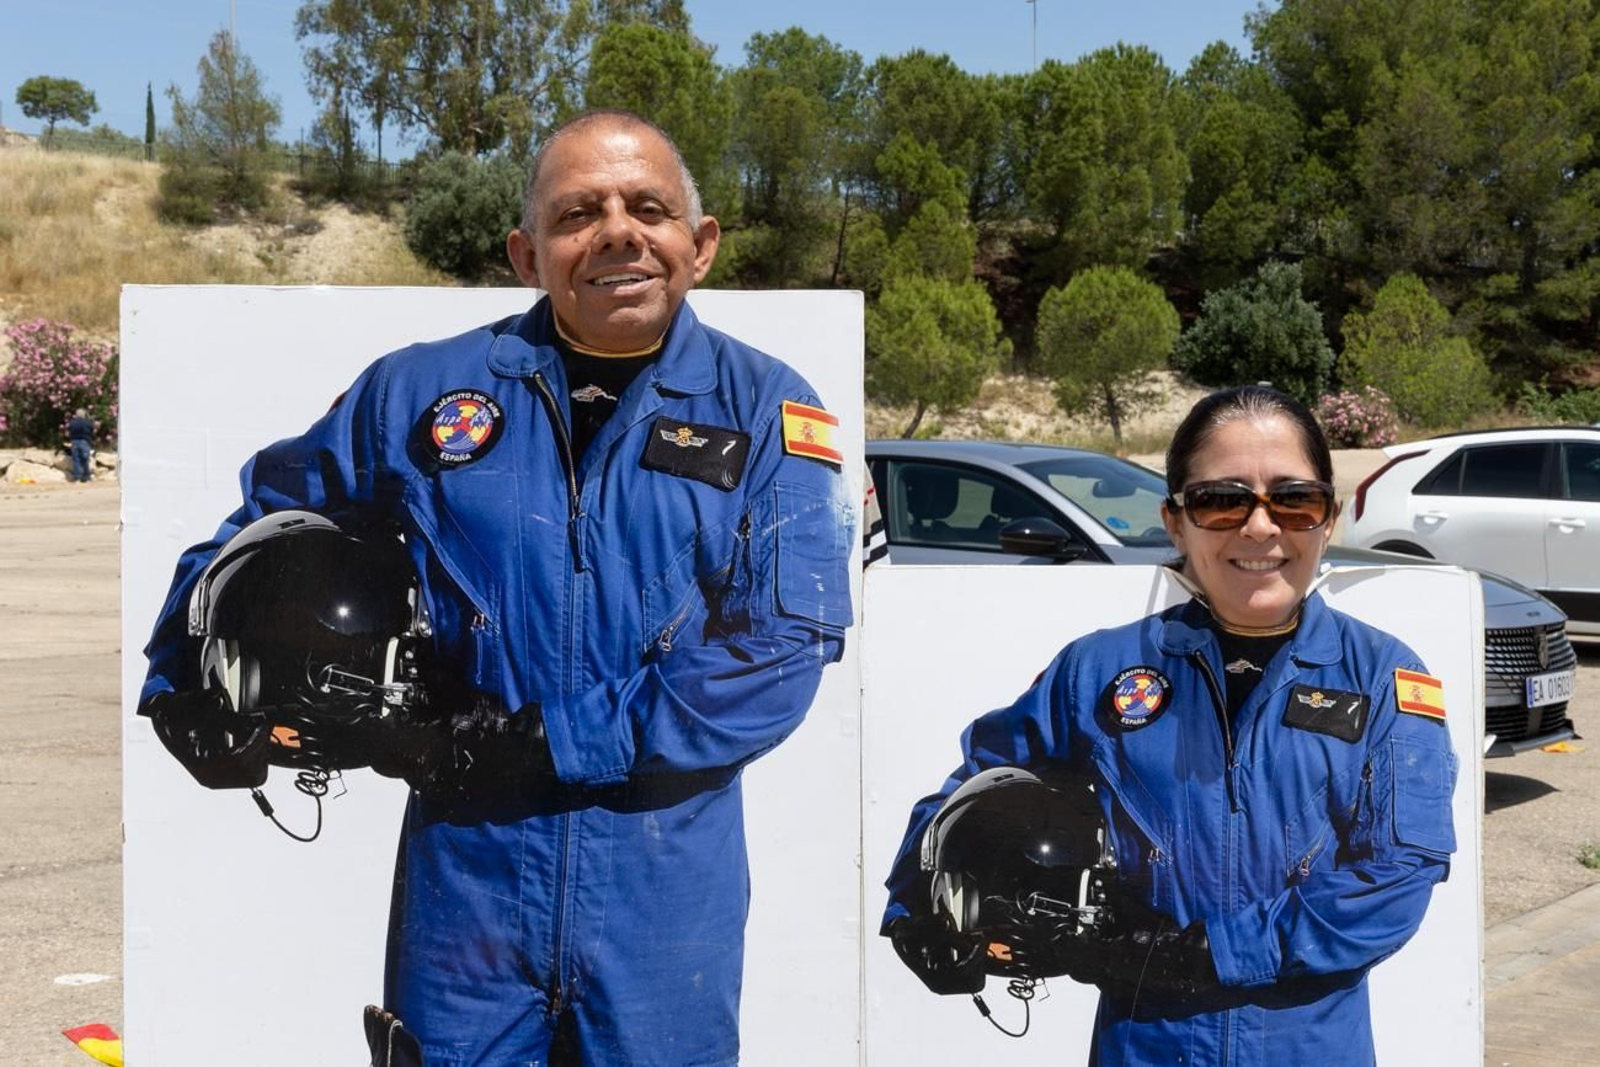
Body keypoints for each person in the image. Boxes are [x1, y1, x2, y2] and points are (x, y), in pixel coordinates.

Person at [138, 109, 855, 1065]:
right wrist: (182, 677)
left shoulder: (773, 413)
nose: (617, 234)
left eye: (649, 208)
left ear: (702, 244)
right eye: (576, 215)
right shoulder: (417, 396)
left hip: (661, 887)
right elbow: (263, 523)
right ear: (526, 254)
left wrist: (545, 741)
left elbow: (780, 653)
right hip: (466, 882)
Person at [882, 385, 1457, 1066]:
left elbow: (1396, 880)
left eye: (1292, 499)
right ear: (1176, 522)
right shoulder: (1097, 671)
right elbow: (978, 782)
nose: (1260, 527)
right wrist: (918, 904)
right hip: (1145, 1044)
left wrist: (1210, 955)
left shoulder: (1384, 680)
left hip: (1308, 1047)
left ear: (1327, 518)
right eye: (1222, 500)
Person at [66, 407, 94, 483]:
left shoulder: (72, 422)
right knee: (85, 460)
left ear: (76, 415)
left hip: (74, 442)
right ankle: (86, 477)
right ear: (84, 415)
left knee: (76, 460)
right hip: (84, 442)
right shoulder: (87, 422)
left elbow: (68, 432)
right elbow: (91, 431)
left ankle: (77, 478)